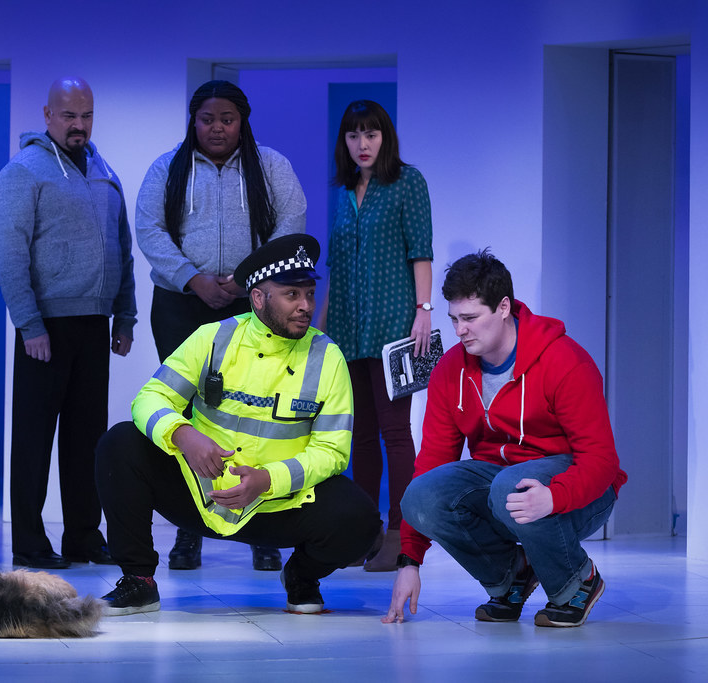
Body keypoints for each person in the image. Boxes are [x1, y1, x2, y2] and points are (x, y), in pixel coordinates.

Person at [96, 234, 382, 615]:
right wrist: (183, 436)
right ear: (259, 298)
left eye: (310, 294)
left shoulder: (327, 357)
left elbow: (332, 452)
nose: (306, 306)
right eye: (292, 295)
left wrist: (268, 480)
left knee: (360, 519)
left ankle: (301, 575)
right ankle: (139, 581)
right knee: (121, 443)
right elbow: (149, 398)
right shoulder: (212, 338)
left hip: (277, 503)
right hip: (201, 493)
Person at [383, 249, 627, 628]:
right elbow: (432, 462)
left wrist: (554, 496)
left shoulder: (563, 360)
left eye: (470, 318)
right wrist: (410, 560)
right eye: (454, 319)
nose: (460, 330)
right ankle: (510, 576)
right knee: (420, 495)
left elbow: (601, 460)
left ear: (503, 308)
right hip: (504, 487)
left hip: (577, 492)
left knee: (509, 485)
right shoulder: (451, 370)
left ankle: (577, 581)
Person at [134, 79, 307, 572]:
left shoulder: (271, 166)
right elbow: (149, 229)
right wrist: (193, 279)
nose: (217, 128)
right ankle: (190, 530)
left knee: (255, 412)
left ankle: (262, 529)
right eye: (207, 119)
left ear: (242, 122)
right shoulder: (167, 168)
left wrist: (248, 278)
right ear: (194, 120)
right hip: (180, 302)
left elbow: (291, 220)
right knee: (185, 412)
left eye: (227, 119)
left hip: (251, 303)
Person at [0, 77, 136, 570]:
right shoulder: (24, 171)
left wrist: (126, 315)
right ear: (47, 114)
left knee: (86, 439)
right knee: (33, 439)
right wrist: (29, 323)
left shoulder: (103, 170)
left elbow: (123, 247)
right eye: (69, 115)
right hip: (45, 327)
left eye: (87, 115)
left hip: (95, 322)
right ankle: (30, 542)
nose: (79, 125)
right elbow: (8, 253)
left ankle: (82, 536)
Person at [321, 100, 433, 571]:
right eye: (353, 135)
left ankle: (400, 533)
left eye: (371, 134)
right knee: (360, 435)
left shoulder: (408, 182)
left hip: (395, 328)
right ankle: (362, 530)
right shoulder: (344, 192)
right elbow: (337, 268)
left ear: (385, 137)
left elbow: (420, 252)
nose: (362, 144)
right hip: (348, 328)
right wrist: (321, 328)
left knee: (395, 432)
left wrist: (424, 311)